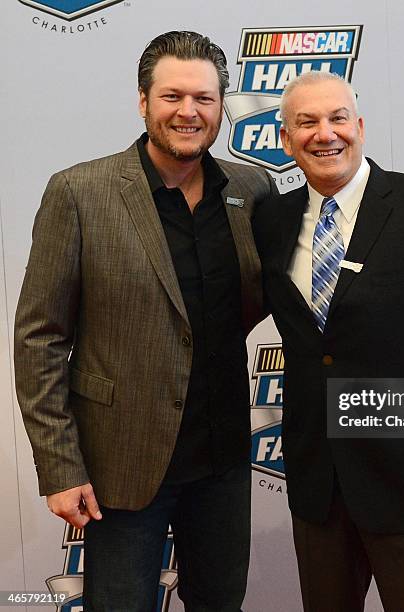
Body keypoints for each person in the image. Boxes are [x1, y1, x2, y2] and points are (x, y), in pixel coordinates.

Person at [14, 31, 276, 612]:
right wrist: (59, 465)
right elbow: (39, 338)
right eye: (172, 96)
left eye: (205, 99)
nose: (189, 112)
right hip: (120, 466)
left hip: (224, 461)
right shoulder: (80, 192)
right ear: (143, 101)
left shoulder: (253, 189)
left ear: (222, 106)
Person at [253, 71, 404, 612]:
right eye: (307, 122)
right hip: (319, 487)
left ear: (360, 126)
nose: (325, 134)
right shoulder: (270, 219)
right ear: (286, 140)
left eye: (338, 118)